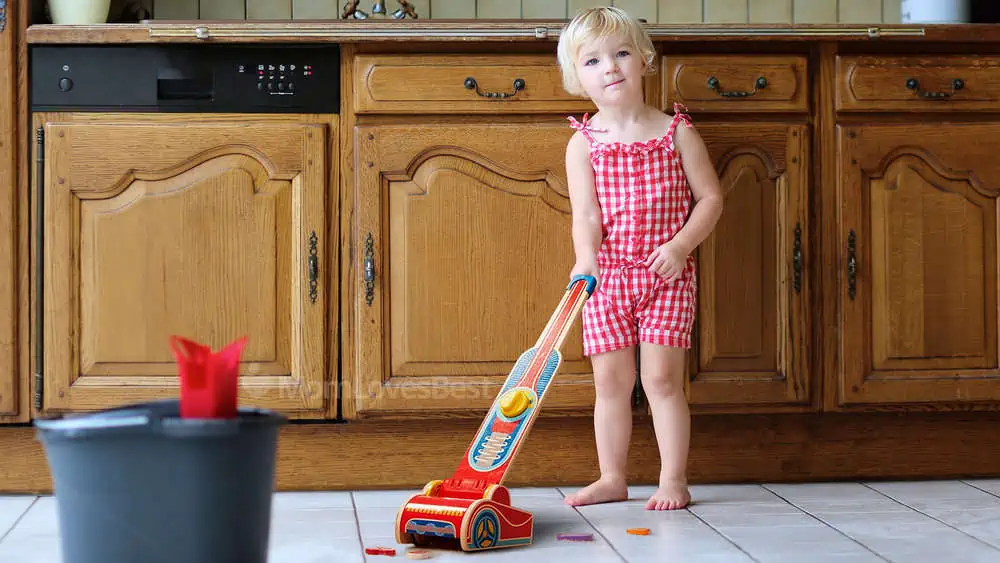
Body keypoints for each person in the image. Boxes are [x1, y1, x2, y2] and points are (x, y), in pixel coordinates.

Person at [557, 6, 724, 511]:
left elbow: (711, 199)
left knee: (662, 380)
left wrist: (680, 247)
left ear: (645, 60)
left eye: (621, 53)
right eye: (593, 61)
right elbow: (585, 215)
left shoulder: (676, 133)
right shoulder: (583, 144)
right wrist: (585, 258)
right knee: (609, 382)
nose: (610, 67)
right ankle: (612, 477)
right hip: (606, 281)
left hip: (666, 279)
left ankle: (673, 479)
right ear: (576, 78)